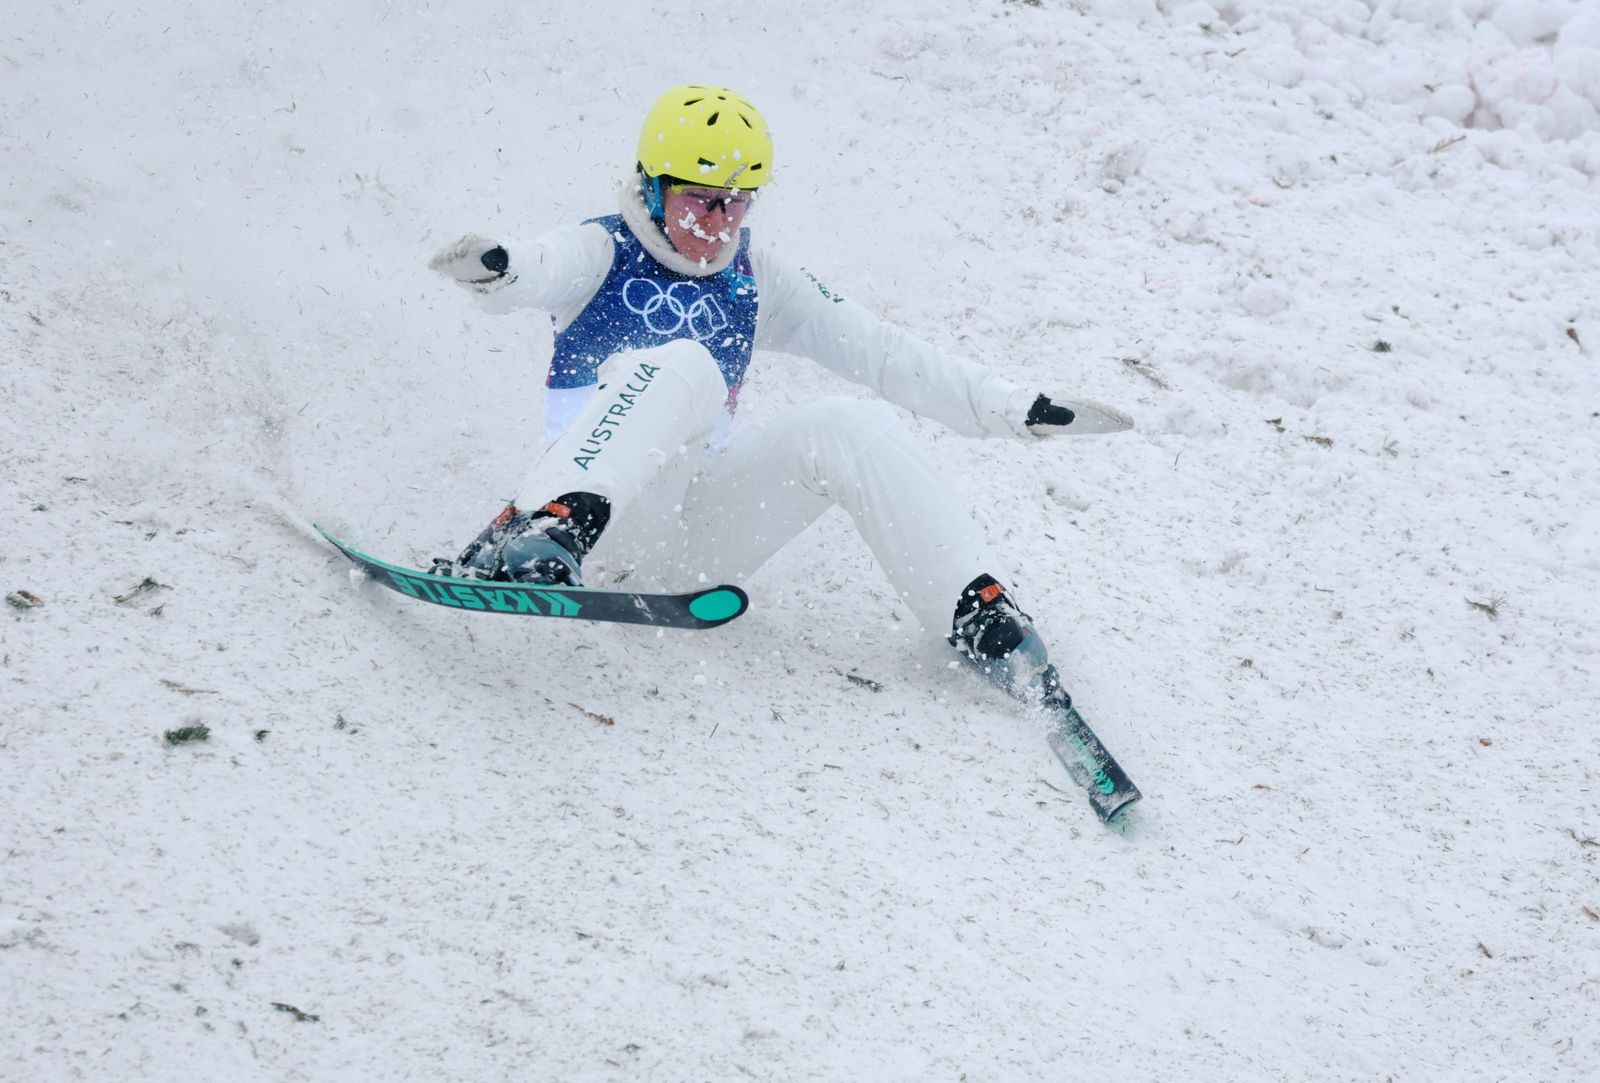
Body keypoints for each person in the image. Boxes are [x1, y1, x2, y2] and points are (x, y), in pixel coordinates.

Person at [427, 84, 1132, 700]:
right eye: (702, 202)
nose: (720, 224)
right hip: (588, 528)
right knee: (689, 366)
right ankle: (534, 526)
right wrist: (496, 267)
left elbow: (884, 352)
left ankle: (981, 618)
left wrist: (1012, 408)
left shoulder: (758, 280)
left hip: (683, 540)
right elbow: (537, 267)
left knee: (850, 424)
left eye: (738, 204)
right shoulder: (602, 250)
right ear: (650, 185)